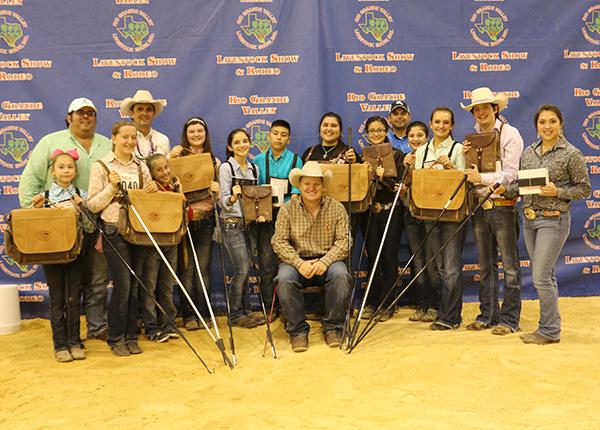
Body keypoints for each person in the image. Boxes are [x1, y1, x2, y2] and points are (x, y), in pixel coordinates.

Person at [19, 97, 111, 341]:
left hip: (97, 221)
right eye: (80, 113)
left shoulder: (107, 144)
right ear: (69, 117)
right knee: (66, 282)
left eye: (90, 113)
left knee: (98, 277)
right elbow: (30, 179)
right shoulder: (50, 142)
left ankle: (97, 326)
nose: (86, 117)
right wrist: (34, 217)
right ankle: (67, 337)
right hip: (60, 225)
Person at [507, 105, 590, 344]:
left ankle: (549, 331)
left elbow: (584, 189)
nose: (547, 126)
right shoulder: (529, 153)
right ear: (536, 126)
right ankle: (550, 327)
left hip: (554, 219)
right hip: (530, 219)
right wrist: (504, 189)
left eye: (552, 121)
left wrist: (559, 191)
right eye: (542, 122)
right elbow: (522, 186)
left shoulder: (571, 154)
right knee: (547, 275)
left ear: (561, 124)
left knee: (541, 276)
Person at [87, 121, 158, 356]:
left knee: (136, 285)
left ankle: (130, 335)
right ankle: (115, 337)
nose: (129, 141)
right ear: (114, 138)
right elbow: (92, 204)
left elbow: (147, 200)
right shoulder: (101, 166)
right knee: (123, 285)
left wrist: (152, 192)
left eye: (132, 137)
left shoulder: (141, 167)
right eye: (124, 137)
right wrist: (111, 188)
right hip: (113, 230)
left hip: (137, 230)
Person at [461, 87, 524, 335]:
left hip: (502, 205)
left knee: (509, 264)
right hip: (479, 205)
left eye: (485, 107)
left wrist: (480, 177)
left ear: (495, 108)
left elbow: (512, 173)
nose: (481, 112)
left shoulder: (510, 134)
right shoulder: (473, 138)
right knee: (485, 264)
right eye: (476, 109)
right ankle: (487, 314)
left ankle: (509, 319)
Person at [272, 161, 352, 352]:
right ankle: (298, 331)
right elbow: (279, 241)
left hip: (328, 260)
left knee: (341, 275)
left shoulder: (337, 208)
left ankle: (333, 327)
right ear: (299, 186)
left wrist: (325, 261)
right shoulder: (287, 209)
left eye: (316, 184)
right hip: (296, 261)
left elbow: (345, 241)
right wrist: (299, 264)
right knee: (284, 278)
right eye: (307, 184)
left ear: (324, 187)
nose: (311, 188)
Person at [28, 149, 87, 362]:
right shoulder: (43, 198)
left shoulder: (81, 194)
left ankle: (74, 341)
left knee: (73, 297)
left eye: (70, 167)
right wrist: (36, 210)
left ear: (75, 171)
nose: (66, 171)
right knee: (57, 299)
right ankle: (60, 344)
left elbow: (90, 228)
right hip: (52, 254)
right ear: (53, 172)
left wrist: (84, 209)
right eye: (61, 167)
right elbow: (35, 230)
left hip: (75, 253)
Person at [414, 107, 465, 330]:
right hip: (429, 214)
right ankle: (443, 310)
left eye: (446, 122)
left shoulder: (458, 149)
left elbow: (465, 181)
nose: (441, 126)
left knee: (451, 267)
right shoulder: (421, 151)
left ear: (452, 126)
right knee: (436, 269)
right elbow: (418, 182)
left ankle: (450, 317)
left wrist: (451, 168)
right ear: (431, 124)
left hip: (453, 216)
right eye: (437, 122)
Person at [170, 117, 220, 331]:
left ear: (206, 134)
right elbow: (167, 185)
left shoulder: (214, 161)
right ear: (186, 134)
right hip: (185, 219)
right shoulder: (176, 157)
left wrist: (216, 192)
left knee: (203, 269)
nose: (196, 134)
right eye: (192, 131)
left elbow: (217, 199)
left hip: (206, 219)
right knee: (187, 270)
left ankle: (205, 313)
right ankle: (189, 315)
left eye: (200, 131)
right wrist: (170, 158)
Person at [252, 119, 303, 318]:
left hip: (289, 218)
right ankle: (270, 309)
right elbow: (254, 190)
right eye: (275, 133)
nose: (279, 137)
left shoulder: (295, 160)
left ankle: (290, 308)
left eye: (283, 134)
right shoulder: (257, 160)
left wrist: (287, 213)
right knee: (266, 264)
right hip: (265, 219)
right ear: (269, 135)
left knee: (290, 262)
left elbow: (297, 193)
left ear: (288, 139)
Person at [359, 116, 405, 321]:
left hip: (391, 211)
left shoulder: (396, 155)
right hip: (369, 213)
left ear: (386, 131)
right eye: (372, 131)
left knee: (389, 256)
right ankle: (371, 301)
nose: (376, 134)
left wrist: (381, 177)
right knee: (373, 257)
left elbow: (398, 186)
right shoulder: (362, 157)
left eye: (379, 130)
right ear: (367, 134)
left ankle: (388, 303)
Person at [218, 128, 264, 328]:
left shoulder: (254, 169)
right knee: (242, 269)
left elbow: (258, 197)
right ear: (230, 147)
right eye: (237, 142)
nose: (242, 145)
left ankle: (246, 311)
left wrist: (260, 212)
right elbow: (222, 202)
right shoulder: (226, 168)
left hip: (249, 224)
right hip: (231, 224)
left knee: (246, 268)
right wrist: (234, 197)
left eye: (245, 141)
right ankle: (235, 314)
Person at [403, 121, 441, 323]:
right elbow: (403, 188)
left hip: (429, 214)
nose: (415, 139)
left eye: (419, 135)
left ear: (426, 138)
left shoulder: (432, 158)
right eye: (411, 136)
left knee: (432, 261)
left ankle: (436, 305)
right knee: (417, 261)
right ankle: (422, 305)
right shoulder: (406, 159)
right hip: (411, 214)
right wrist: (406, 168)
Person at [140, 153, 181, 342]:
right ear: (151, 173)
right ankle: (151, 327)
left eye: (166, 167)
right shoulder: (150, 189)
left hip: (171, 241)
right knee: (150, 285)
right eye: (159, 169)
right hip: (152, 243)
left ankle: (168, 324)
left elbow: (185, 212)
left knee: (166, 286)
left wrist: (180, 194)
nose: (165, 172)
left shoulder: (174, 186)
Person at [120, 90, 169, 160]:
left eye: (149, 110)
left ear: (153, 113)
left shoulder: (163, 140)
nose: (145, 114)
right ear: (132, 113)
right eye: (140, 109)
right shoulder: (123, 140)